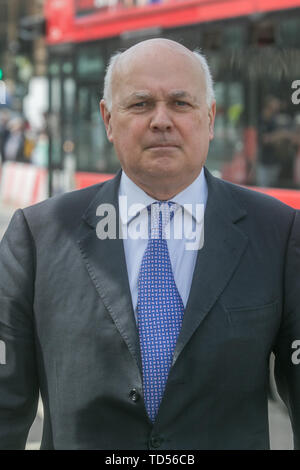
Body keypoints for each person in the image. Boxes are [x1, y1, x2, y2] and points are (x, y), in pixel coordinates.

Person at [0, 38, 299, 450]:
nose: (161, 120)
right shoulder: (37, 236)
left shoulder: (279, 233)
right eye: (140, 104)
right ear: (108, 119)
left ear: (210, 118)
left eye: (181, 103)